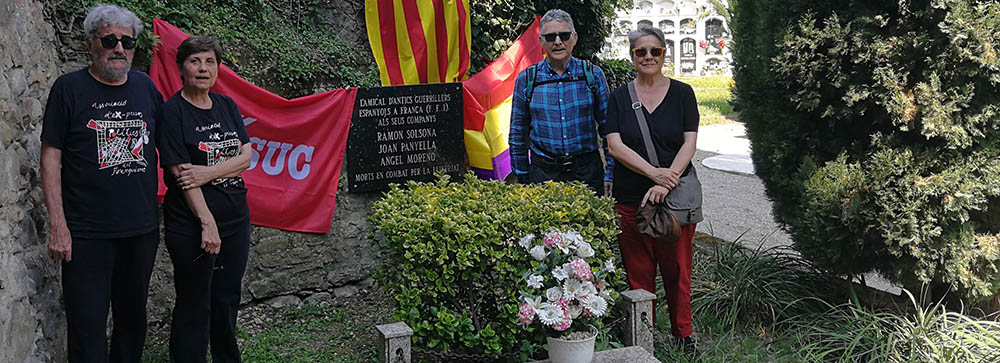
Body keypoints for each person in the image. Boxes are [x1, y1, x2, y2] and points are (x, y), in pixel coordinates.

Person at [40, 4, 162, 362]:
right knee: (88, 323)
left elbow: (171, 142)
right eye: (110, 40)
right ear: (91, 44)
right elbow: (51, 158)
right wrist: (58, 226)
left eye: (127, 41)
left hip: (140, 229)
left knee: (132, 321)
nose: (119, 48)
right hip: (86, 232)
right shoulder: (68, 89)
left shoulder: (145, 87)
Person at [604, 26, 702, 353]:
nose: (648, 57)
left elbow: (690, 142)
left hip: (674, 203)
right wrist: (653, 175)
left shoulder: (683, 94)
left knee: (678, 272)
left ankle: (683, 334)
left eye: (655, 52)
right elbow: (615, 146)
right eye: (640, 52)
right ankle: (643, 340)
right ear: (631, 55)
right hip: (630, 199)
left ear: (664, 54)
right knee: (638, 275)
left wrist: (668, 180)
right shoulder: (619, 98)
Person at [156, 35, 252, 363]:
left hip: (236, 218)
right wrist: (207, 223)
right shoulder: (172, 112)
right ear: (182, 67)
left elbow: (247, 156)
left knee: (227, 298)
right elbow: (183, 176)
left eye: (210, 61)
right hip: (192, 224)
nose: (203, 68)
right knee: (195, 301)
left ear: (218, 69)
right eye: (195, 61)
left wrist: (207, 173)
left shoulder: (226, 106)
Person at [509, 9, 614, 196]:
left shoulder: (592, 75)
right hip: (543, 173)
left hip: (587, 172)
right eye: (550, 37)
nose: (557, 42)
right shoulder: (527, 79)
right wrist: (522, 176)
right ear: (541, 41)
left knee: (590, 224)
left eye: (564, 35)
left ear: (574, 38)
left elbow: (609, 130)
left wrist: (611, 174)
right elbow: (518, 133)